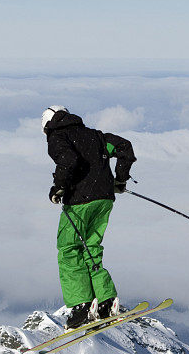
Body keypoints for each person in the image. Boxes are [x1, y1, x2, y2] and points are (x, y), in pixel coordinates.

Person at [42, 106, 136, 329]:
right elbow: (125, 148)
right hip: (104, 199)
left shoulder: (57, 136)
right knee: (91, 247)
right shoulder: (96, 136)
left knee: (68, 249)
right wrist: (119, 181)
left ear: (47, 126)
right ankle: (105, 302)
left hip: (79, 202)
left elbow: (68, 159)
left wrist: (59, 187)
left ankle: (82, 307)